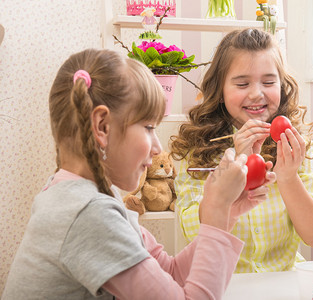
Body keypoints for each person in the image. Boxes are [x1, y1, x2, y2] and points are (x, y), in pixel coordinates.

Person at [2, 48, 275, 300]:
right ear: (102, 127)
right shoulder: (88, 215)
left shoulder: (80, 197)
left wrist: (227, 214)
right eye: (148, 127)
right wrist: (214, 209)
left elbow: (171, 273)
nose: (157, 148)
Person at [170, 28, 313, 273]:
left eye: (268, 82)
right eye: (242, 83)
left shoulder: (294, 146)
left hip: (282, 283)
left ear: (282, 85)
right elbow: (194, 234)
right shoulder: (196, 148)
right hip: (221, 285)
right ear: (220, 91)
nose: (257, 94)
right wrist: (235, 168)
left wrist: (288, 178)